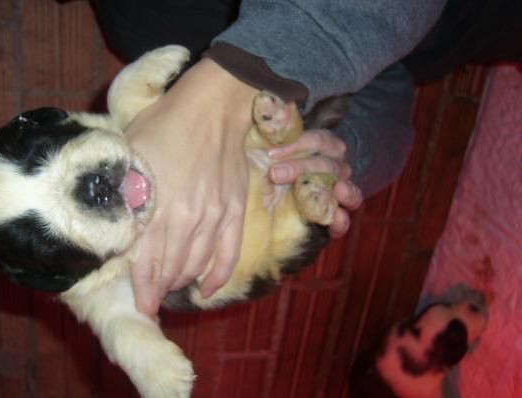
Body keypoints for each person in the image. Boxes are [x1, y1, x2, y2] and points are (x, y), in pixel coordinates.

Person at [91, 0, 450, 317]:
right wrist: (328, 150)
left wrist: (233, 78)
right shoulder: (137, 27)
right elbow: (392, 95)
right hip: (446, 40)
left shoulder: (143, 51)